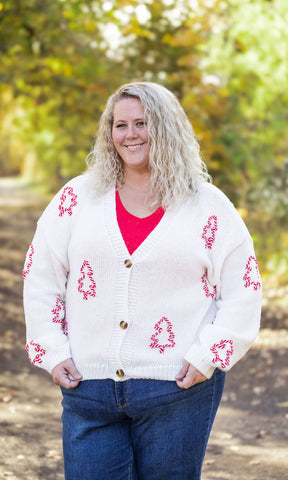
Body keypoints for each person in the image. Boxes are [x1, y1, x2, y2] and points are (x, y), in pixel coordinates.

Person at [23, 82, 262, 479]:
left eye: (142, 123)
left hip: (176, 391)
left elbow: (244, 288)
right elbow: (42, 274)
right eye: (121, 124)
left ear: (166, 128)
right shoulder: (77, 198)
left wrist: (208, 356)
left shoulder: (207, 206)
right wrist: (50, 347)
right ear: (109, 132)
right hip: (89, 390)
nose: (130, 134)